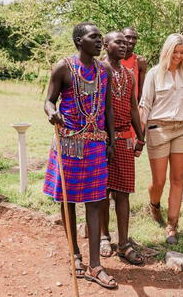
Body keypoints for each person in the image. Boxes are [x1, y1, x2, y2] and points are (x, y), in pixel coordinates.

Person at [43, 22, 117, 288]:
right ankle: (74, 253)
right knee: (69, 201)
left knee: (96, 202)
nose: (99, 41)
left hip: (97, 144)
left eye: (100, 37)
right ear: (78, 40)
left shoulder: (104, 70)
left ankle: (95, 265)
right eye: (93, 37)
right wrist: (52, 112)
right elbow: (49, 100)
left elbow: (108, 108)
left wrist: (112, 139)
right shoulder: (63, 67)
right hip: (70, 143)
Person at [139, 33, 183, 244]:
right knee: (159, 181)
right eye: (175, 51)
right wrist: (139, 135)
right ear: (167, 51)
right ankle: (154, 204)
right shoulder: (154, 74)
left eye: (182, 52)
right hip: (158, 128)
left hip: (182, 129)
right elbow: (145, 105)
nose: (178, 55)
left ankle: (172, 225)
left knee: (177, 179)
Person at [98, 31, 146, 264]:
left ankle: (124, 242)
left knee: (123, 191)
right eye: (118, 42)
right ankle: (105, 236)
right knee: (103, 191)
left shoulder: (128, 74)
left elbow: (133, 107)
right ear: (106, 46)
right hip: (102, 139)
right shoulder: (98, 71)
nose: (124, 45)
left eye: (126, 42)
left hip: (125, 138)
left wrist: (141, 135)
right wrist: (106, 137)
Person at [121, 27, 147, 102]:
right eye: (128, 37)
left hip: (132, 106)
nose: (131, 41)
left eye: (134, 38)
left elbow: (141, 90)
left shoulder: (140, 61)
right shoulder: (110, 59)